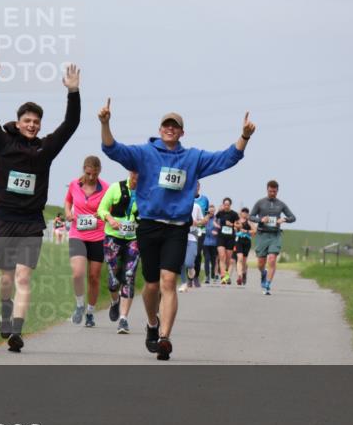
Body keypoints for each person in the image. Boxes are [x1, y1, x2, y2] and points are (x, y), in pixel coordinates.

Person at [100, 99, 254, 360]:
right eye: (166, 125)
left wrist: (244, 137)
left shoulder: (192, 158)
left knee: (169, 281)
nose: (170, 129)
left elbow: (226, 158)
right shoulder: (145, 153)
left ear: (182, 132)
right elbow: (112, 149)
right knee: (151, 285)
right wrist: (105, 123)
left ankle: (164, 338)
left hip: (177, 228)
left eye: (175, 126)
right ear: (160, 129)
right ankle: (152, 324)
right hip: (149, 225)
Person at [0, 53, 81, 352]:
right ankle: (5, 307)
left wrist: (73, 91)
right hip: (5, 219)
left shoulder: (45, 149)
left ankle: (17, 332)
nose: (32, 125)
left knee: (24, 277)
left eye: (36, 122)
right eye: (27, 121)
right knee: (7, 278)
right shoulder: (3, 143)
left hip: (32, 222)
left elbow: (71, 123)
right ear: (18, 122)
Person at [65, 156, 109, 328]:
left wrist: (103, 213)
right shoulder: (74, 184)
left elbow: (110, 209)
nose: (91, 177)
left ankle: (90, 312)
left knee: (94, 277)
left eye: (95, 174)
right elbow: (68, 200)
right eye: (89, 173)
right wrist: (68, 212)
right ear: (84, 169)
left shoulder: (105, 188)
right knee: (77, 273)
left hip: (98, 236)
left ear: (99, 171)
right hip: (77, 234)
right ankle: (79, 305)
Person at [98, 171, 140, 334]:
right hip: (113, 237)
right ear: (131, 173)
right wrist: (110, 219)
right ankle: (114, 301)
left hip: (134, 239)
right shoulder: (116, 187)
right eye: (135, 175)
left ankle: (123, 319)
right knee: (113, 281)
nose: (138, 179)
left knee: (129, 276)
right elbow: (101, 209)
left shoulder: (147, 192)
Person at [250, 180, 297, 295]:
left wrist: (284, 219)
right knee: (261, 263)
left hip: (275, 235)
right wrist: (261, 220)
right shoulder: (260, 203)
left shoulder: (281, 204)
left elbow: (293, 217)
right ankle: (263, 273)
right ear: (267, 190)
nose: (272, 193)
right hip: (262, 235)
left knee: (272, 259)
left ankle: (267, 284)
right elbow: (251, 217)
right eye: (270, 191)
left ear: (277, 191)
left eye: (274, 191)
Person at [179, 200, 210, 293]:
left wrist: (197, 223)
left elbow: (203, 221)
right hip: (178, 236)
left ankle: (191, 267)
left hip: (192, 236)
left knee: (189, 262)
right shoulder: (177, 204)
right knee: (181, 261)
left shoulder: (196, 206)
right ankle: (183, 283)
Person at [214, 198, 239, 285]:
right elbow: (214, 221)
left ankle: (226, 275)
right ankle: (223, 276)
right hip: (221, 237)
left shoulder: (234, 214)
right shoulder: (220, 213)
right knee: (222, 256)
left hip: (230, 238)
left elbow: (238, 225)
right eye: (225, 204)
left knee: (228, 259)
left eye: (228, 205)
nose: (226, 206)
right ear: (223, 204)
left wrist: (231, 224)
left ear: (230, 205)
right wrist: (217, 226)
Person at [233, 207, 258, 286]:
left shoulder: (249, 222)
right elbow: (234, 227)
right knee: (239, 258)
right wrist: (237, 226)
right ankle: (239, 276)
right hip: (238, 240)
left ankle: (244, 273)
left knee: (244, 261)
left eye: (246, 212)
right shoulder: (237, 221)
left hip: (247, 241)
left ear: (248, 214)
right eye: (243, 211)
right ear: (241, 213)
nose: (244, 213)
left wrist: (246, 231)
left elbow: (255, 231)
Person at [192, 183, 210, 287]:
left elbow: (207, 215)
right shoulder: (187, 198)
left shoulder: (204, 199)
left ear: (199, 187)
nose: (195, 188)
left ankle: (196, 277)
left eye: (196, 186)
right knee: (189, 253)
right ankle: (189, 277)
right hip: (188, 230)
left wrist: (203, 221)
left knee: (197, 253)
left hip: (200, 230)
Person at [202, 204, 219, 283]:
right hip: (206, 243)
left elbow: (220, 228)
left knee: (213, 260)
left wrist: (217, 232)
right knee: (206, 259)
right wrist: (206, 217)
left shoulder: (217, 219)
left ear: (214, 211)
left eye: (212, 211)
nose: (211, 213)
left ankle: (213, 275)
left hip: (214, 243)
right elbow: (201, 225)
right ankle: (207, 276)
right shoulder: (205, 218)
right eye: (210, 211)